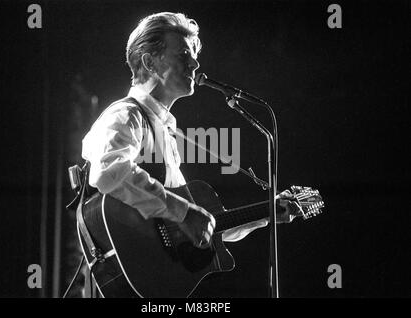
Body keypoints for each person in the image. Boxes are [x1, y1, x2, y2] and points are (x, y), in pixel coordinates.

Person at [81, 12, 301, 297]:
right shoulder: (127, 115)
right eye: (184, 53)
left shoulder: (165, 129)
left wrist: (268, 214)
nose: (196, 63)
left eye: (195, 54)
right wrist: (184, 212)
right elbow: (108, 170)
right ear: (149, 62)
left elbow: (202, 225)